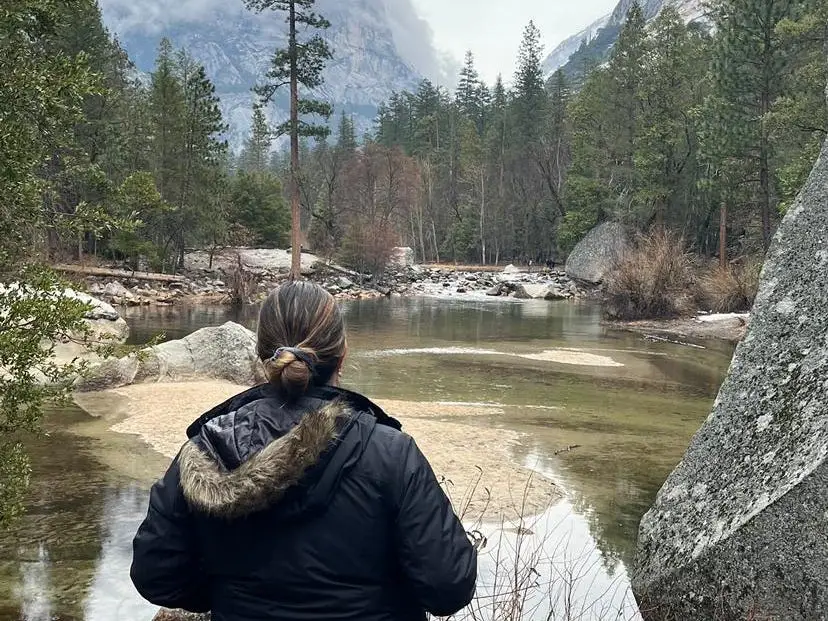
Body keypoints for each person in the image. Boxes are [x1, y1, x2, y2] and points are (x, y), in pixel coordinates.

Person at [130, 281, 477, 621]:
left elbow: (156, 574)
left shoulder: (206, 450)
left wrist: (227, 594)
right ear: (342, 356)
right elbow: (448, 587)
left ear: (263, 357)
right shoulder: (391, 453)